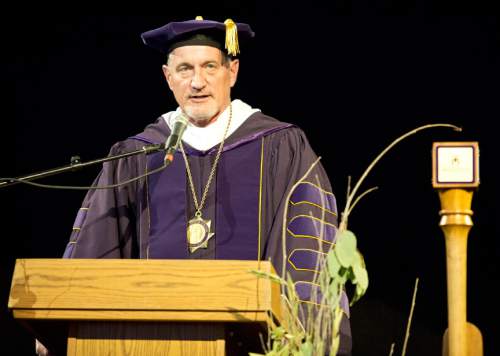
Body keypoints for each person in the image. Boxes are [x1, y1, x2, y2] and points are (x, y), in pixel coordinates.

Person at [39, 16, 352, 355]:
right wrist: (58, 317)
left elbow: (307, 248)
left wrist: (306, 328)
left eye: (210, 67)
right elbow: (96, 245)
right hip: (148, 344)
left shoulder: (281, 147)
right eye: (185, 69)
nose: (197, 82)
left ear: (232, 72)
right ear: (167, 77)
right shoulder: (137, 155)